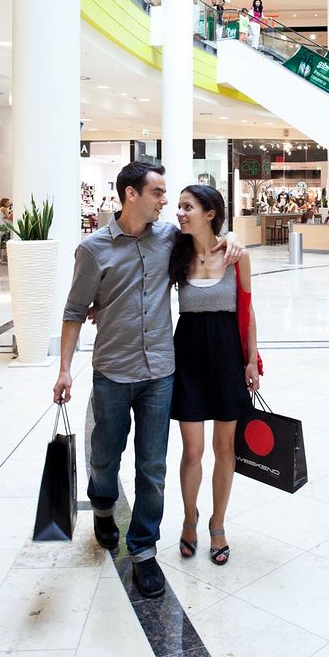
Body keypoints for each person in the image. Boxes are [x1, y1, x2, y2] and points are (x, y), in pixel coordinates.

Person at [53, 161, 244, 598]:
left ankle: (143, 548)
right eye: (158, 193)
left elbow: (209, 235)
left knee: (152, 466)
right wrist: (64, 369)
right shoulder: (93, 249)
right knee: (105, 456)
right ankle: (103, 505)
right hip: (113, 370)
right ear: (131, 194)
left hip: (160, 371)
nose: (166, 202)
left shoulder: (169, 239)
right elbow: (73, 311)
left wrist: (232, 236)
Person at [170, 186, 259, 566]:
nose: (179, 212)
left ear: (210, 213)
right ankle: (189, 518)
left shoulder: (237, 255)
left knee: (226, 449)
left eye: (187, 206)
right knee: (192, 450)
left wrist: (251, 361)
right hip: (187, 356)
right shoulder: (176, 253)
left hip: (226, 357)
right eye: (178, 206)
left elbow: (247, 309)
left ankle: (217, 523)